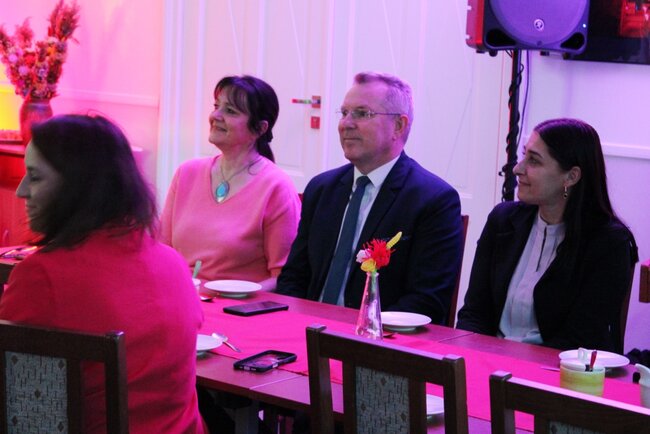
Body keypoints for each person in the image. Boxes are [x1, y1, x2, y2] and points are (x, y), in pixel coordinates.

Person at [0, 115, 206, 433]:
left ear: (78, 186)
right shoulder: (174, 263)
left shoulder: (42, 276)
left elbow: (24, 407)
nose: (21, 191)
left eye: (35, 177)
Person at [276, 72, 464, 324]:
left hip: (377, 337)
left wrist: (361, 330)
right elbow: (293, 278)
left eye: (362, 113)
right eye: (344, 113)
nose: (346, 124)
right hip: (306, 328)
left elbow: (426, 301)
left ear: (398, 126)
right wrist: (291, 325)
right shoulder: (322, 189)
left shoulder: (432, 200)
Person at [457, 118, 638, 352]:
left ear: (571, 177)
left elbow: (580, 339)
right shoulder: (502, 221)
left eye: (534, 160)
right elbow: (474, 313)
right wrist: (471, 358)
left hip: (558, 370)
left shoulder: (609, 243)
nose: (517, 169)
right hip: (490, 361)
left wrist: (511, 363)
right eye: (524, 155)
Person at [160, 75, 300, 290]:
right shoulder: (186, 173)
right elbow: (163, 252)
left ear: (260, 128)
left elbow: (282, 277)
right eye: (216, 106)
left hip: (238, 306)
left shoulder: (276, 187)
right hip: (182, 299)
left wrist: (233, 296)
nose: (215, 116)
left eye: (230, 111)